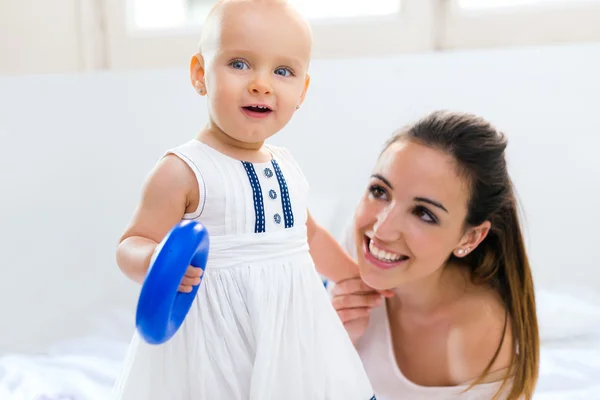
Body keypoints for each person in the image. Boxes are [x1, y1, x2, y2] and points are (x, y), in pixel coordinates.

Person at [111, 0, 375, 399]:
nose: (261, 84)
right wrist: (155, 260)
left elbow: (310, 236)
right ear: (200, 75)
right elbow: (131, 243)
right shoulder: (184, 170)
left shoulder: (287, 164)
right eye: (239, 64)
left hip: (289, 337)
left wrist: (353, 275)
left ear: (302, 90)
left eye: (283, 71)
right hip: (215, 347)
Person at [332, 110, 540, 400]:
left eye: (424, 213)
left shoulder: (474, 335)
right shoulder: (357, 247)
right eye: (379, 191)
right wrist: (333, 345)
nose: (382, 229)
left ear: (470, 237)